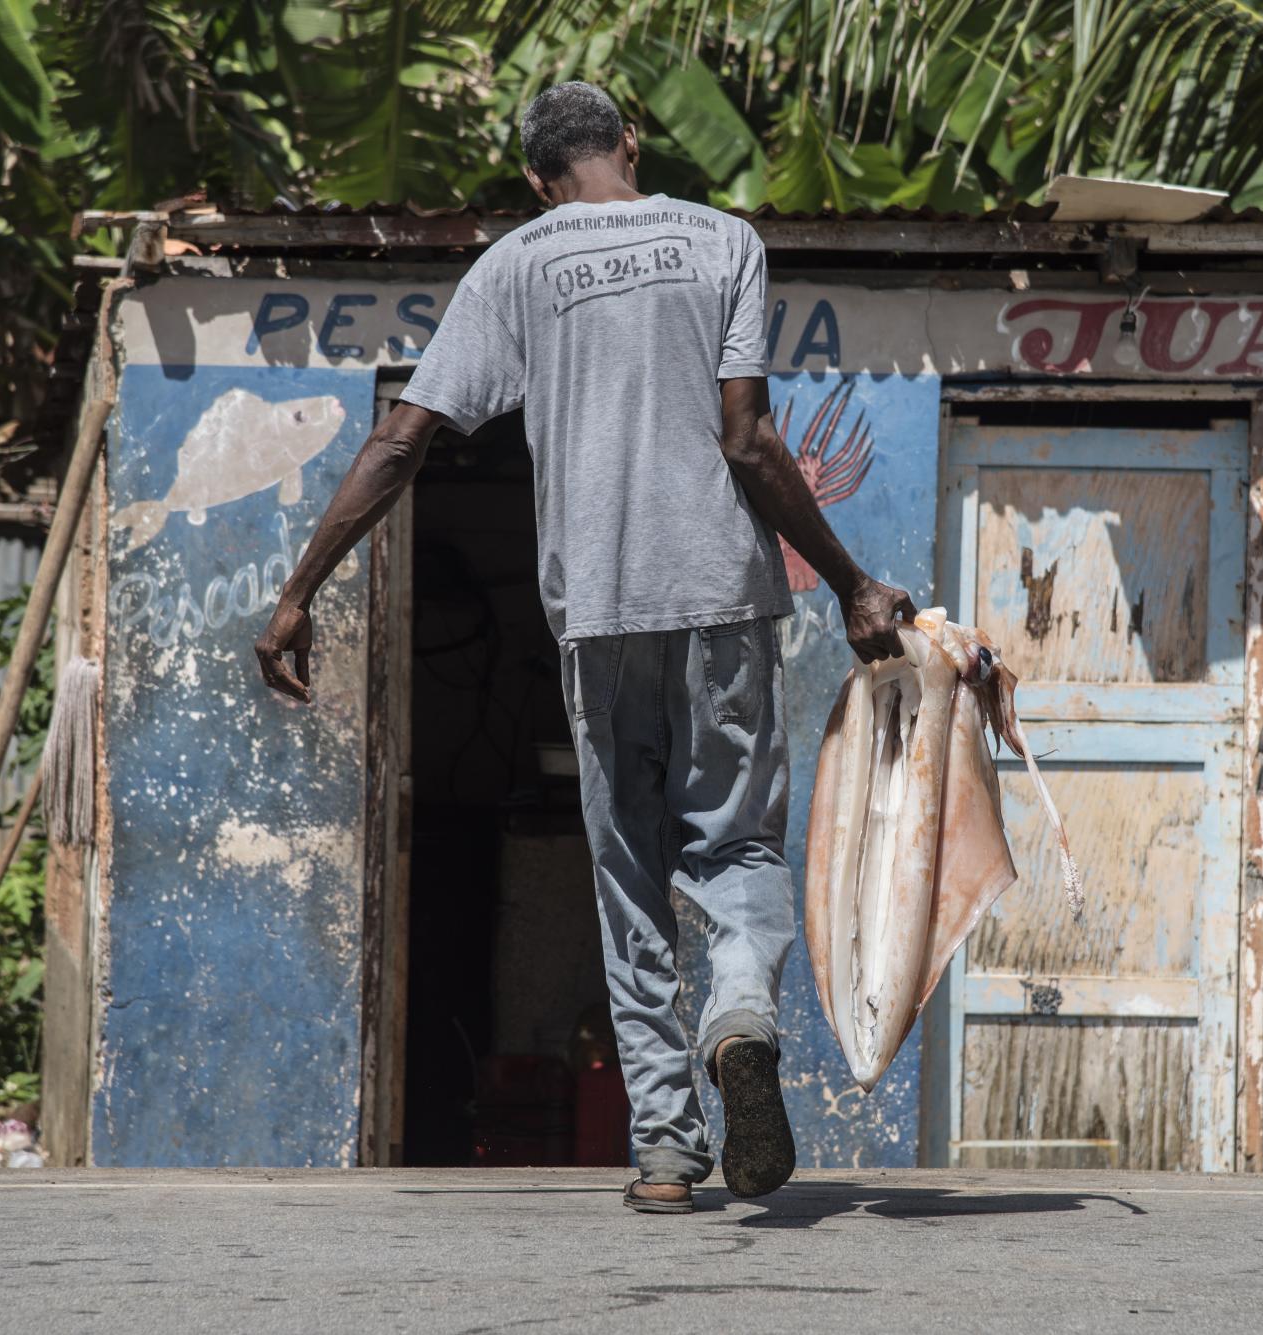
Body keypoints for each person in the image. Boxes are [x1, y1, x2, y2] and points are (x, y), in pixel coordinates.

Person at [254, 81, 916, 1214]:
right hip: (721, 597)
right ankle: (741, 1016)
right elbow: (748, 441)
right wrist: (853, 585)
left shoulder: (514, 264)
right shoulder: (723, 241)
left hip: (598, 612)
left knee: (628, 877)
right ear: (630, 143)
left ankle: (664, 1149)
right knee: (740, 849)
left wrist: (298, 590)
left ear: (534, 178)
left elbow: (403, 440)